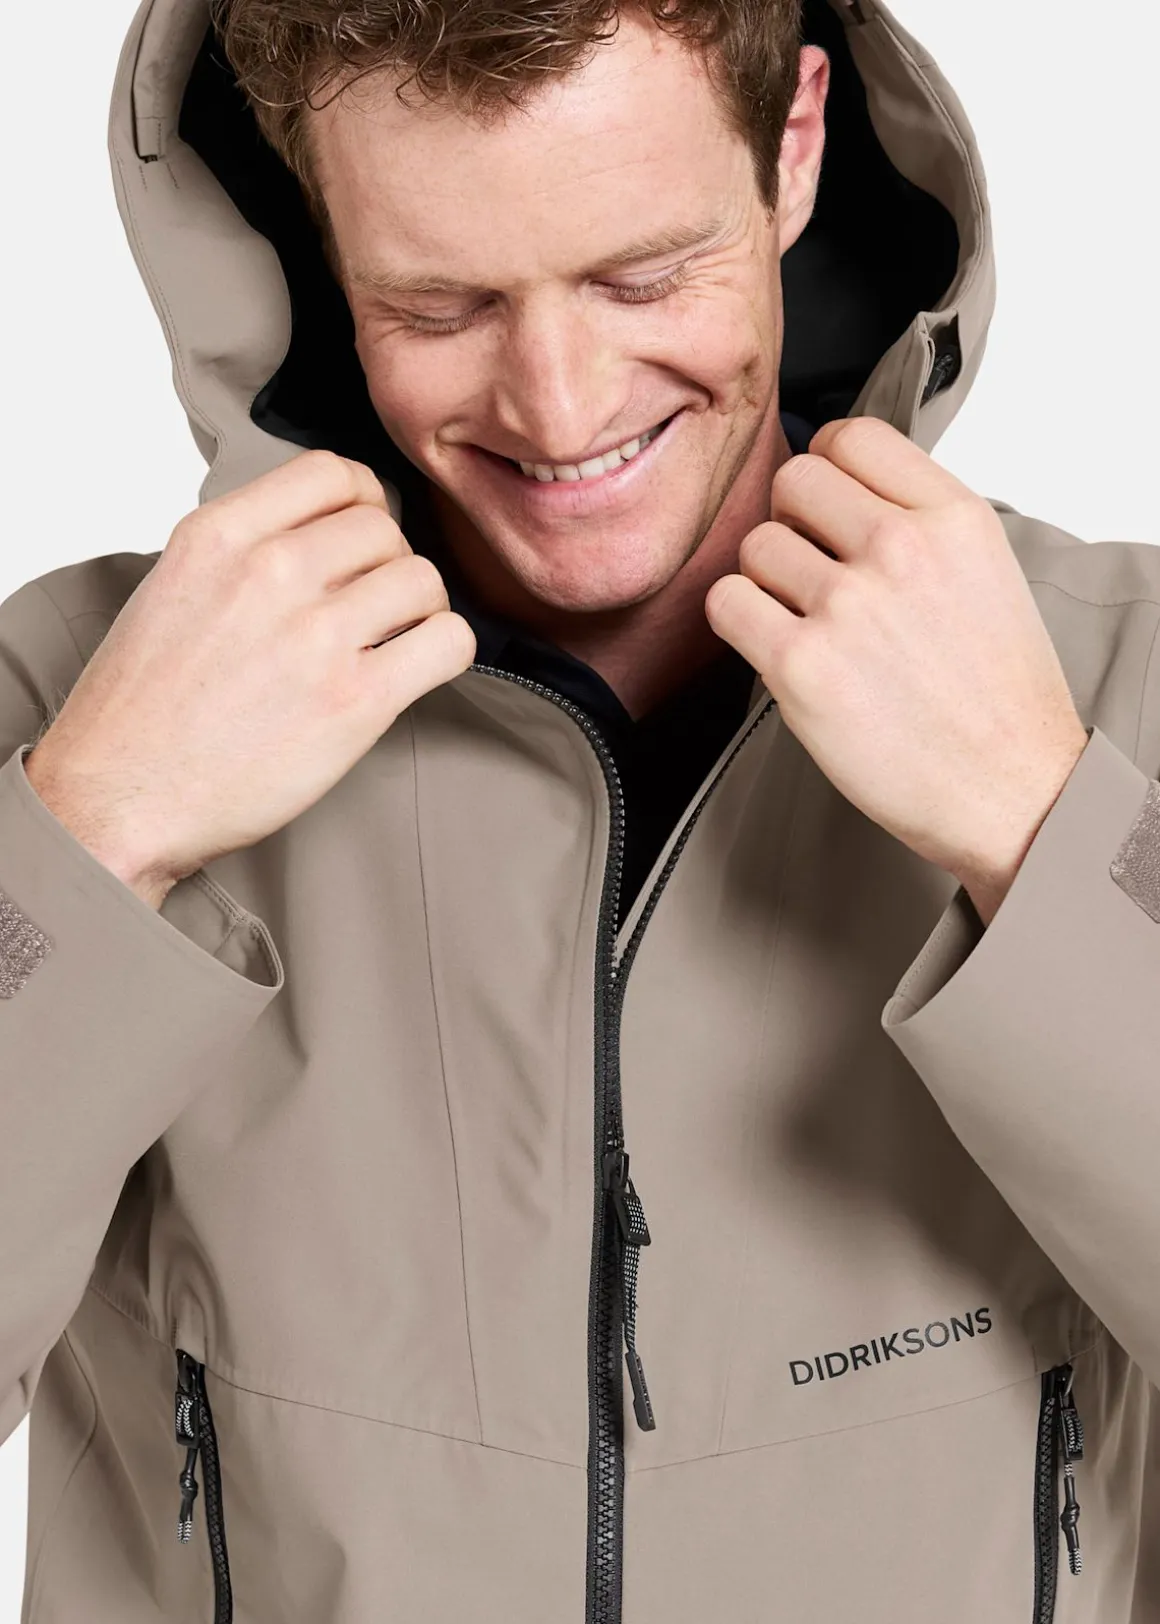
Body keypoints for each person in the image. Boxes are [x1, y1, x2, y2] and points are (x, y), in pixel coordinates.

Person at [1, 0, 1157, 1617]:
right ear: (314, 222)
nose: (557, 406)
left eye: (644, 275)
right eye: (439, 302)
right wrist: (93, 841)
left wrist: (1044, 832)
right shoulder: (70, 699)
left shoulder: (1125, 684)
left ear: (795, 145)